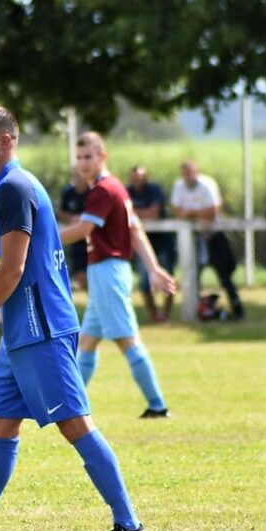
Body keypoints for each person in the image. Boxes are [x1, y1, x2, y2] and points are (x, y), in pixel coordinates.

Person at [0, 106, 148, 531]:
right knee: (0, 424)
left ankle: (130, 527)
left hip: (41, 329)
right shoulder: (8, 187)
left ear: (5, 141)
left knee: (75, 425)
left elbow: (13, 268)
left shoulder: (12, 189)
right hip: (23, 333)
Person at [60, 132, 177, 419]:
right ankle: (71, 408)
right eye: (79, 158)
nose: (83, 164)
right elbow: (135, 231)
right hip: (109, 271)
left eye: (88, 157)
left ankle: (158, 406)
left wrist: (40, 240)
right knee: (87, 341)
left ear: (103, 156)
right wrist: (153, 268)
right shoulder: (117, 189)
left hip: (107, 272)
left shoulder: (103, 190)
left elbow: (83, 230)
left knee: (128, 340)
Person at [171, 161, 244, 320]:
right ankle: (197, 310)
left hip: (213, 236)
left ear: (198, 172)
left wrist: (190, 213)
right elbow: (176, 210)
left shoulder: (207, 185)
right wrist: (198, 213)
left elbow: (212, 212)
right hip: (191, 239)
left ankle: (237, 308)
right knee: (192, 275)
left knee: (225, 274)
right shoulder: (179, 186)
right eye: (185, 173)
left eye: (190, 172)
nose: (188, 176)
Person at [128, 165, 174, 322]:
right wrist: (139, 213)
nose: (137, 182)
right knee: (144, 282)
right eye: (134, 179)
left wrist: (133, 212)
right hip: (142, 245)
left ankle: (165, 314)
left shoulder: (154, 190)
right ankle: (154, 315)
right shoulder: (126, 191)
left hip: (162, 243)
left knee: (167, 279)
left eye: (140, 179)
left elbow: (153, 214)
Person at [58, 167, 89, 289]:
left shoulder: (93, 192)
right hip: (74, 237)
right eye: (75, 176)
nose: (79, 179)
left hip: (90, 238)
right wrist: (72, 218)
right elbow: (61, 213)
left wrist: (82, 219)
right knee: (78, 273)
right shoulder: (68, 192)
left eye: (80, 175)